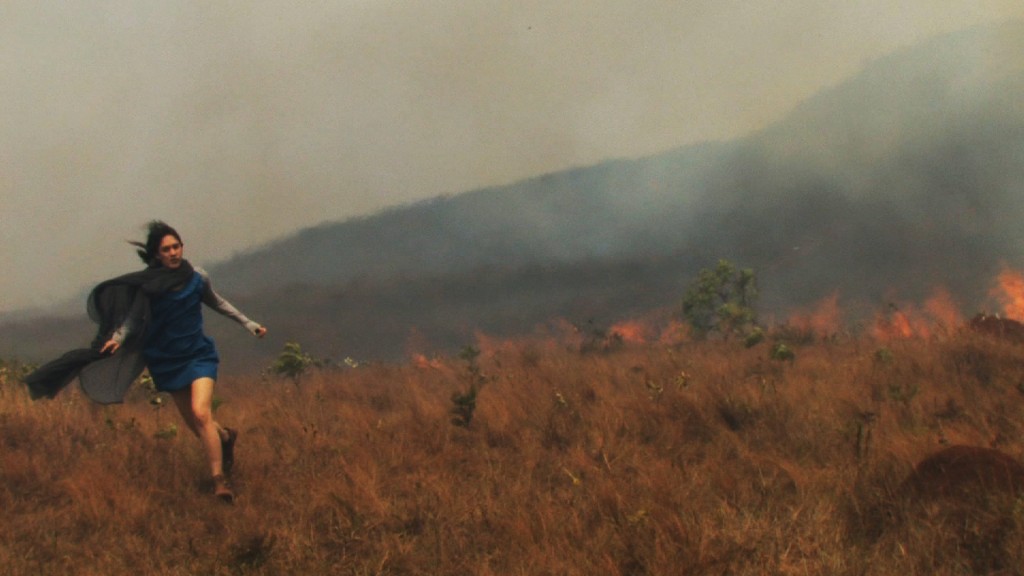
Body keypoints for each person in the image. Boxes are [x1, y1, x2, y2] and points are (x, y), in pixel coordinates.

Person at [24, 220, 266, 503]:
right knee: (196, 424)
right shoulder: (149, 287)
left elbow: (219, 303)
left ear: (182, 247)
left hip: (198, 354)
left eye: (176, 247)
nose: (173, 253)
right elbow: (132, 319)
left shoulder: (197, 278)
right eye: (167, 249)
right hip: (167, 359)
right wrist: (117, 338)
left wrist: (250, 324)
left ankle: (219, 482)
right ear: (157, 255)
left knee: (201, 413)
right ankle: (224, 437)